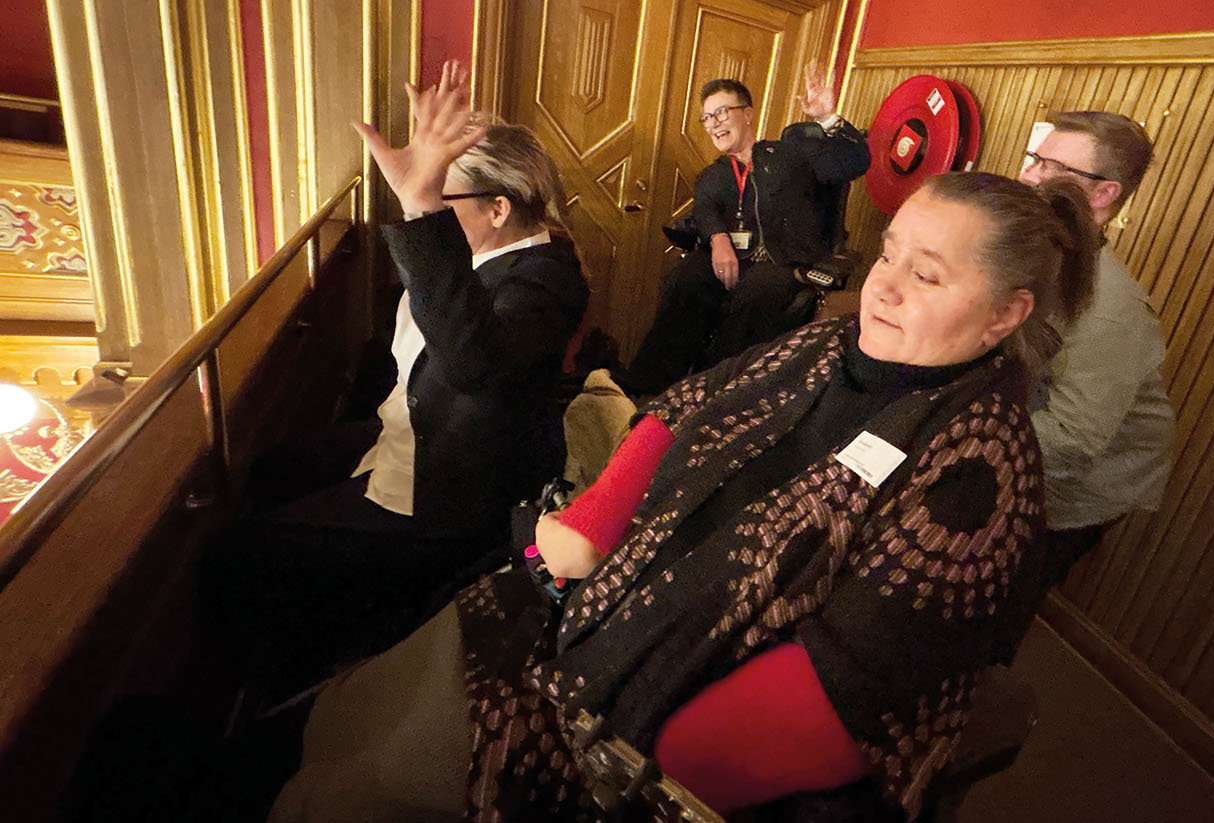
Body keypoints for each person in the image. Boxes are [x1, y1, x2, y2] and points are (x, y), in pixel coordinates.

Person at [268, 167, 1099, 823]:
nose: (883, 286)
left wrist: (633, 757)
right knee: (366, 701)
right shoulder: (826, 342)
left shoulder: (983, 474)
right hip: (598, 604)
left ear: (1004, 317)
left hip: (664, 734)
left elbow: (843, 694)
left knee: (362, 795)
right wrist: (588, 530)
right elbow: (685, 407)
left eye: (926, 275)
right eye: (888, 254)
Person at [205, 61, 588, 698]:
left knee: (238, 554)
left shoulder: (544, 281)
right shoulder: (492, 251)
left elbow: (472, 364)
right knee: (272, 470)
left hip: (452, 496)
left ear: (498, 208)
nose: (431, 210)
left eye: (445, 197)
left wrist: (417, 207)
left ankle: (278, 690)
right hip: (416, 433)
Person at [621, 64, 870, 395]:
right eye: (707, 118)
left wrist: (827, 117)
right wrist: (718, 238)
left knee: (755, 291)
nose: (714, 124)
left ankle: (711, 390)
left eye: (721, 112)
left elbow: (854, 162)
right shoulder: (714, 174)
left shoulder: (791, 153)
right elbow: (705, 208)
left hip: (785, 264)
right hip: (735, 257)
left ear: (748, 114)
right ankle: (646, 386)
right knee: (686, 276)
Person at [1016, 111, 1175, 590]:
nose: (1028, 175)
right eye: (1033, 159)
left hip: (1081, 489)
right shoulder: (1037, 253)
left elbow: (1068, 445)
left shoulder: (1111, 309)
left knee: (1000, 597)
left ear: (1103, 194)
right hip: (1027, 445)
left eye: (1051, 167)